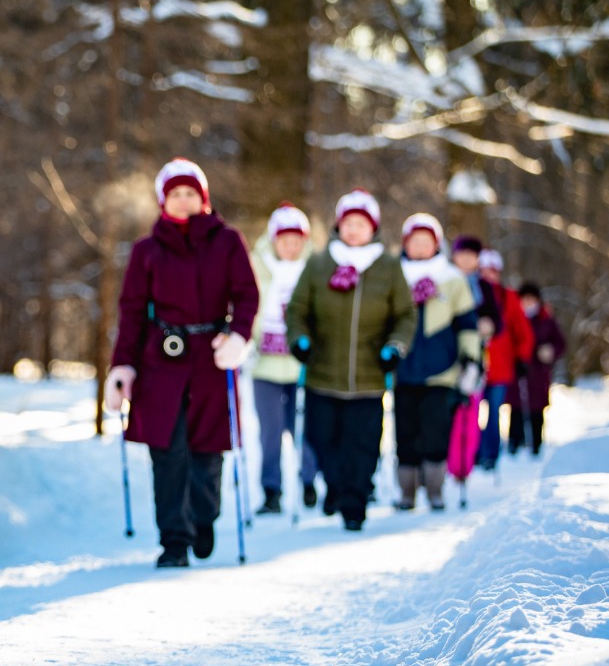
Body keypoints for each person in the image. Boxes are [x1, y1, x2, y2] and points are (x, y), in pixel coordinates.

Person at [105, 158, 259, 568]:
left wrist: (238, 335)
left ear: (203, 198)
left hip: (212, 358)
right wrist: (123, 366)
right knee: (167, 451)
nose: (184, 200)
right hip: (161, 361)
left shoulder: (227, 241)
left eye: (191, 193)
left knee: (207, 451)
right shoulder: (146, 250)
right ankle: (174, 540)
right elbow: (132, 310)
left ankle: (204, 517)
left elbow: (247, 294)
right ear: (163, 200)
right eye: (176, 194)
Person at [285, 188, 416, 531]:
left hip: (369, 377)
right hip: (322, 373)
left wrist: (395, 346)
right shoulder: (319, 263)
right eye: (348, 223)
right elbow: (298, 309)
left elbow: (404, 315)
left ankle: (354, 503)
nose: (354, 230)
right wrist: (299, 339)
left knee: (362, 445)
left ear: (373, 227)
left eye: (361, 224)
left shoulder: (388, 266)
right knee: (322, 439)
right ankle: (336, 486)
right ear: (338, 226)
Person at [393, 214, 480, 511]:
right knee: (405, 434)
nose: (420, 247)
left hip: (441, 371)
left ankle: (435, 490)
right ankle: (407, 492)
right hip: (403, 370)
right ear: (405, 244)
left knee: (435, 433)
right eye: (414, 241)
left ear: (436, 244)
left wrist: (471, 360)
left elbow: (467, 324)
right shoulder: (393, 275)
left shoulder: (452, 279)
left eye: (426, 241)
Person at [248, 202, 319, 514]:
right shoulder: (256, 266)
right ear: (273, 240)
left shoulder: (313, 269)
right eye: (284, 240)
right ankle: (271, 489)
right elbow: (245, 305)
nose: (290, 247)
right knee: (270, 431)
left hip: (301, 364)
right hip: (265, 364)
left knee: (303, 428)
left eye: (296, 241)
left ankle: (309, 481)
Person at [476, 249, 534, 470]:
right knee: (471, 414)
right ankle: (472, 453)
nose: (488, 275)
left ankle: (490, 454)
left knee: (493, 413)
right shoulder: (471, 290)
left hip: (500, 368)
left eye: (492, 271)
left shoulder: (508, 297)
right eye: (484, 271)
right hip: (474, 366)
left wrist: (522, 358)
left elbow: (523, 332)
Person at [507, 282, 566, 457]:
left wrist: (550, 351)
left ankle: (536, 444)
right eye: (525, 299)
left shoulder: (546, 319)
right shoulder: (514, 318)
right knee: (517, 409)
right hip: (518, 370)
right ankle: (515, 442)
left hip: (539, 372)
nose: (528, 303)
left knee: (537, 410)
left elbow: (560, 343)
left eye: (531, 299)